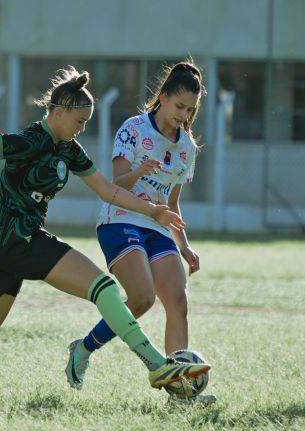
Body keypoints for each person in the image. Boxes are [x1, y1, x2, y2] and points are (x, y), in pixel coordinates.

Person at [0, 66, 210, 395]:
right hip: (18, 238)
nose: (81, 129)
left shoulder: (70, 150)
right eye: (79, 122)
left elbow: (109, 191)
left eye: (86, 123)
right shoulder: (28, 140)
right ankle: (156, 365)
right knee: (103, 287)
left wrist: (154, 211)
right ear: (59, 112)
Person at [64, 60, 214, 404]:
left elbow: (172, 204)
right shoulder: (134, 129)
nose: (183, 115)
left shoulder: (187, 147)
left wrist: (186, 248)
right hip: (120, 218)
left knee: (178, 301)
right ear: (162, 97)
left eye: (190, 110)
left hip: (157, 227)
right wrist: (140, 171)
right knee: (143, 298)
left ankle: (181, 394)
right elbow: (116, 183)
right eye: (179, 106)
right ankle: (83, 348)